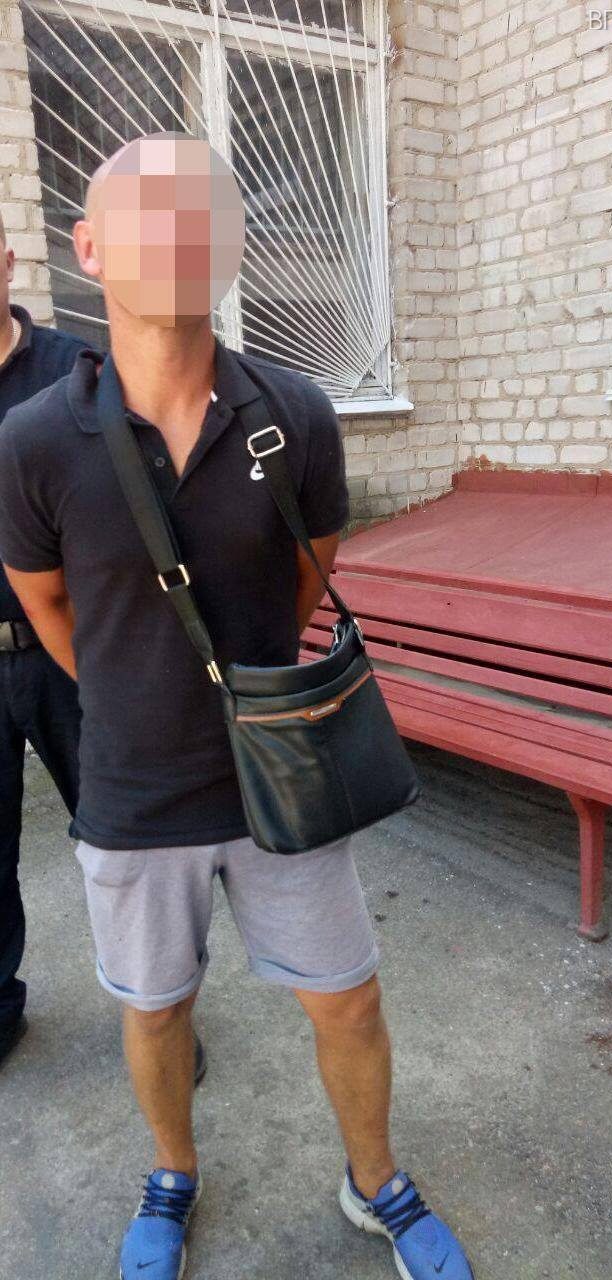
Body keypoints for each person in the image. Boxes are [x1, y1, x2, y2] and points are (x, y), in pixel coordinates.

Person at [0, 133, 474, 1280]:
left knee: (348, 1001)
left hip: (284, 781)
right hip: (132, 791)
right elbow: (46, 603)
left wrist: (234, 687)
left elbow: (309, 574)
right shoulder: (31, 439)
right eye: (147, 215)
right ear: (89, 246)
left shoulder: (297, 413)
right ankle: (173, 1172)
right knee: (156, 1008)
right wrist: (132, 693)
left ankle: (375, 1180)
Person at [0, 211, 85, 1068]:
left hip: (69, 647)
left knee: (122, 841)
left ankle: (161, 1016)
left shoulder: (73, 370)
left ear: (8, 258)